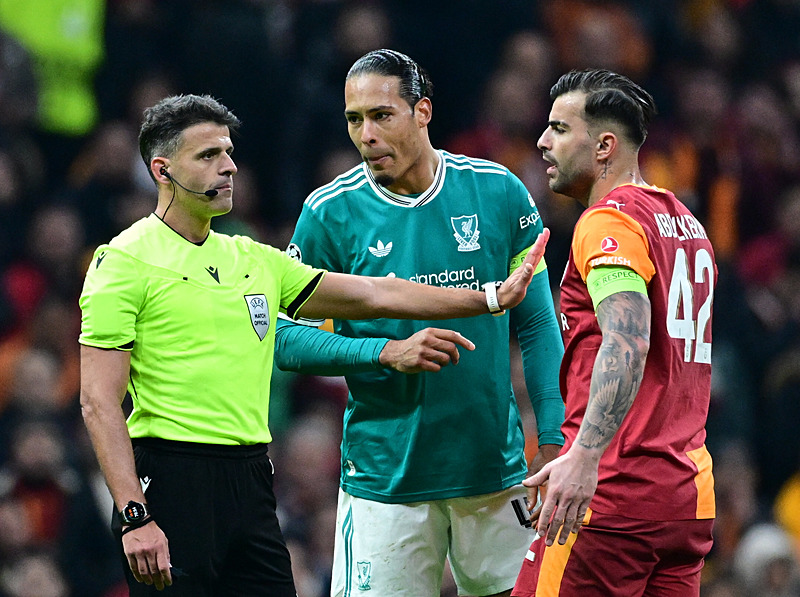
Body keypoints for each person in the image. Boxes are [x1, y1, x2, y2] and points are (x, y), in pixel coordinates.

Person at [77, 93, 548, 597]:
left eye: (228, 153)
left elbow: (375, 293)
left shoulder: (252, 257)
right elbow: (98, 401)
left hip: (252, 478)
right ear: (162, 170)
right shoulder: (122, 262)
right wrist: (134, 514)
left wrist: (488, 298)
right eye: (208, 155)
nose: (229, 167)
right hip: (171, 477)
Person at [276, 49, 565, 597]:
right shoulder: (329, 213)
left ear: (423, 111)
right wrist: (384, 353)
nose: (366, 135)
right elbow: (283, 338)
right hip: (385, 480)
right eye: (354, 120)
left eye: (381, 115)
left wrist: (552, 438)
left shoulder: (497, 192)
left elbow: (537, 324)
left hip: (495, 474)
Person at [512, 69, 717, 596]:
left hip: (614, 496)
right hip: (686, 499)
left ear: (604, 146)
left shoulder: (609, 222)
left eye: (560, 129)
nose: (543, 141)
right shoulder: (687, 225)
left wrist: (584, 455)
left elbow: (628, 339)